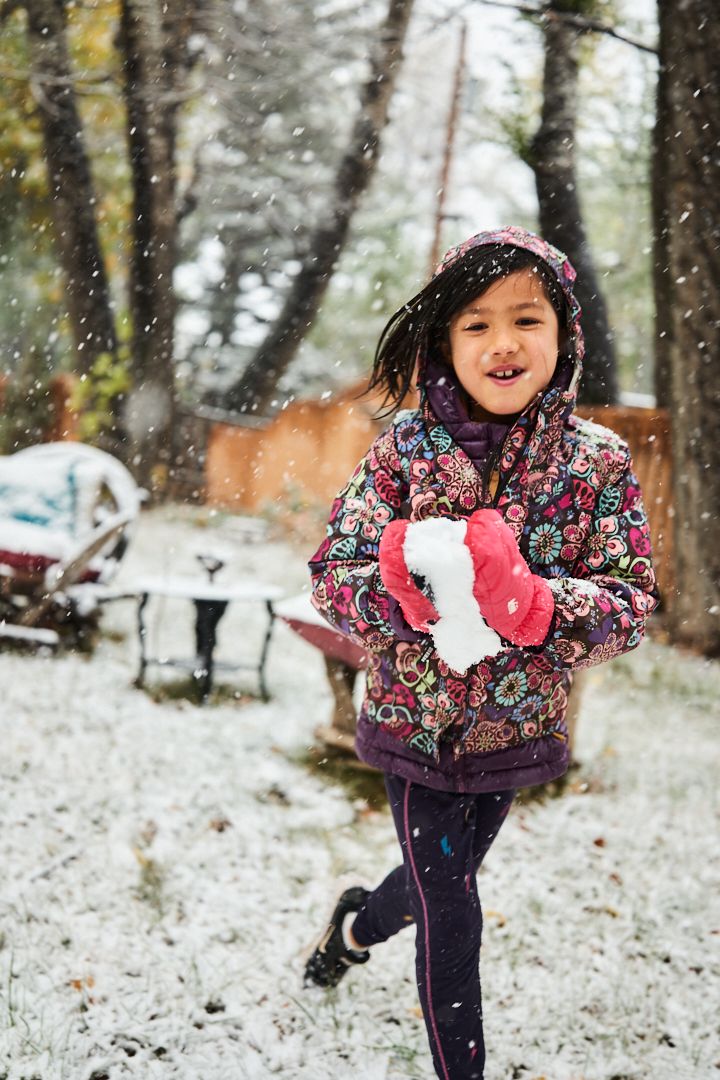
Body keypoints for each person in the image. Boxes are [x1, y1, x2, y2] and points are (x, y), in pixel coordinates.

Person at [304, 226, 658, 1079]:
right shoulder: (403, 453)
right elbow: (331, 573)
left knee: (433, 887)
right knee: (455, 910)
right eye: (475, 324)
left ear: (563, 337)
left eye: (526, 319)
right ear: (442, 343)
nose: (503, 342)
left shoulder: (596, 465)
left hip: (516, 729)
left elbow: (631, 600)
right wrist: (393, 585)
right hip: (412, 726)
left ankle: (353, 926)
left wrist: (541, 604)